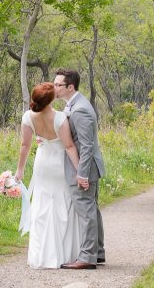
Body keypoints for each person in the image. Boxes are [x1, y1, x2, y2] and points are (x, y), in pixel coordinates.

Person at [15, 82, 82, 269]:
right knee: (62, 204)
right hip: (59, 164)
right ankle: (63, 254)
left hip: (42, 163)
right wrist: (79, 171)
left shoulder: (28, 117)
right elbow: (69, 146)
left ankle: (41, 255)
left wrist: (20, 170)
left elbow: (25, 145)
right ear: (51, 99)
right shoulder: (60, 118)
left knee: (42, 205)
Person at [53, 68, 105, 270]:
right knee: (92, 210)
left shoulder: (80, 109)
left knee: (86, 212)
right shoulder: (74, 104)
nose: (55, 87)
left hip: (86, 169)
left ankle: (87, 257)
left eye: (58, 85)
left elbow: (86, 145)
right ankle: (97, 252)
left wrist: (81, 173)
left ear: (70, 87)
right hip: (88, 167)